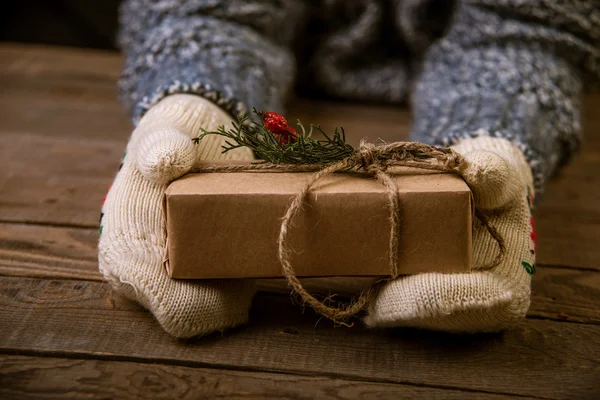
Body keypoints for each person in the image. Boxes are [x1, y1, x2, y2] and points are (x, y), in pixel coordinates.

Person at [98, 0, 599, 338]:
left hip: (478, 92)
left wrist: (501, 135)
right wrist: (191, 104)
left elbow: (531, 28)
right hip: (263, 86)